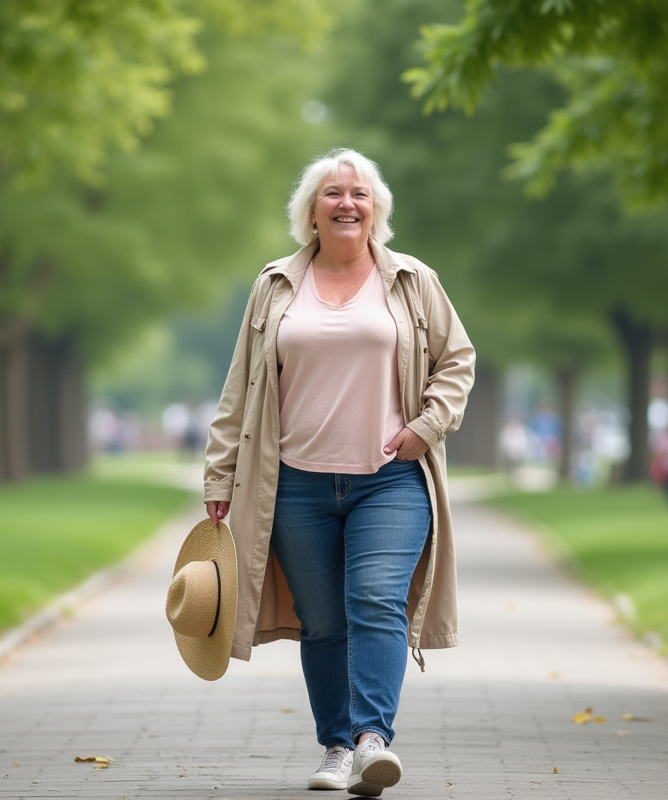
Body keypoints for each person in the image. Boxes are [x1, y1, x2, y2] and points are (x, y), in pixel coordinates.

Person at [203, 148, 475, 796]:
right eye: (333, 193)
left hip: (390, 479)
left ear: (374, 207)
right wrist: (219, 478)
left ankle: (372, 741)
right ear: (312, 211)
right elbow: (239, 389)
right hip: (294, 483)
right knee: (322, 621)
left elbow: (456, 362)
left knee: (376, 599)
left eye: (358, 192)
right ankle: (335, 746)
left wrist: (425, 428)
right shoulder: (275, 285)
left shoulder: (412, 280)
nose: (346, 203)